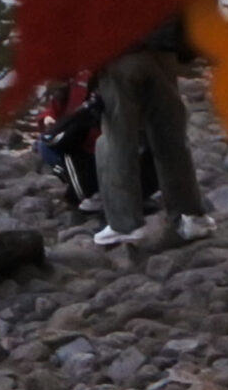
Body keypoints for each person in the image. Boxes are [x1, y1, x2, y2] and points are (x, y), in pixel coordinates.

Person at [92, 15, 216, 247]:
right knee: (170, 135)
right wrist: (186, 48)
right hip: (162, 48)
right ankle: (191, 215)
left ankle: (125, 224)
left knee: (117, 137)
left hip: (119, 52)